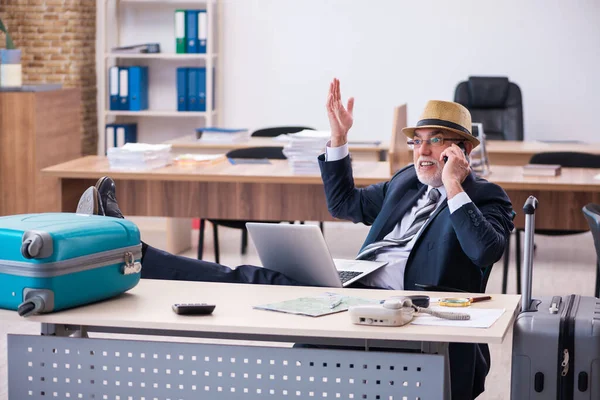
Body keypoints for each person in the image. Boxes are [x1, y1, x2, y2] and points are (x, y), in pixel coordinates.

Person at [76, 79, 514, 399]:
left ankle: (131, 254)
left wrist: (454, 189)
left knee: (257, 282)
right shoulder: (405, 182)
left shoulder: (485, 197)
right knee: (249, 275)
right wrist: (339, 139)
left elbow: (484, 251)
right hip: (353, 290)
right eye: (418, 141)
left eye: (435, 141)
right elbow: (345, 204)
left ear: (462, 151)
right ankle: (130, 251)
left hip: (410, 315)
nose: (422, 151)